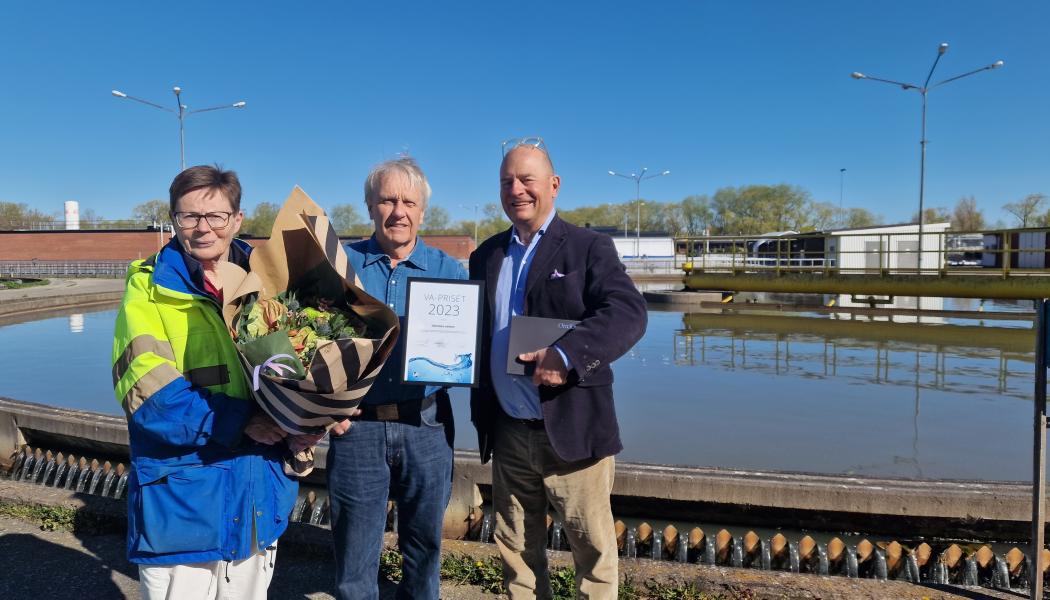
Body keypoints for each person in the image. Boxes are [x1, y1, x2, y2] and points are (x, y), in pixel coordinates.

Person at [112, 165, 302, 599]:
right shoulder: (148, 288)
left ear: (236, 219)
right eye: (189, 216)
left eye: (215, 216)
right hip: (184, 506)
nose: (203, 228)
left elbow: (301, 371)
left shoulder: (271, 283)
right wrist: (244, 422)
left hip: (257, 496)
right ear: (173, 219)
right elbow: (149, 398)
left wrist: (308, 420)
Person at [468, 139, 647, 599]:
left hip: (572, 431)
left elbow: (628, 311)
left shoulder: (589, 247)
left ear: (554, 185)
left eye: (527, 179)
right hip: (508, 431)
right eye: (507, 181)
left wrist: (566, 355)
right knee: (517, 556)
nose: (517, 189)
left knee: (593, 556)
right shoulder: (485, 255)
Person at [326, 156, 467, 600]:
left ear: (423, 210)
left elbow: (468, 348)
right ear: (370, 205)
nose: (398, 211)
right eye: (387, 200)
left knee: (424, 550)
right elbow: (308, 343)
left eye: (409, 201)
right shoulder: (340, 266)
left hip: (426, 425)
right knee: (353, 555)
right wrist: (324, 407)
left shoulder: (449, 273)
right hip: (356, 428)